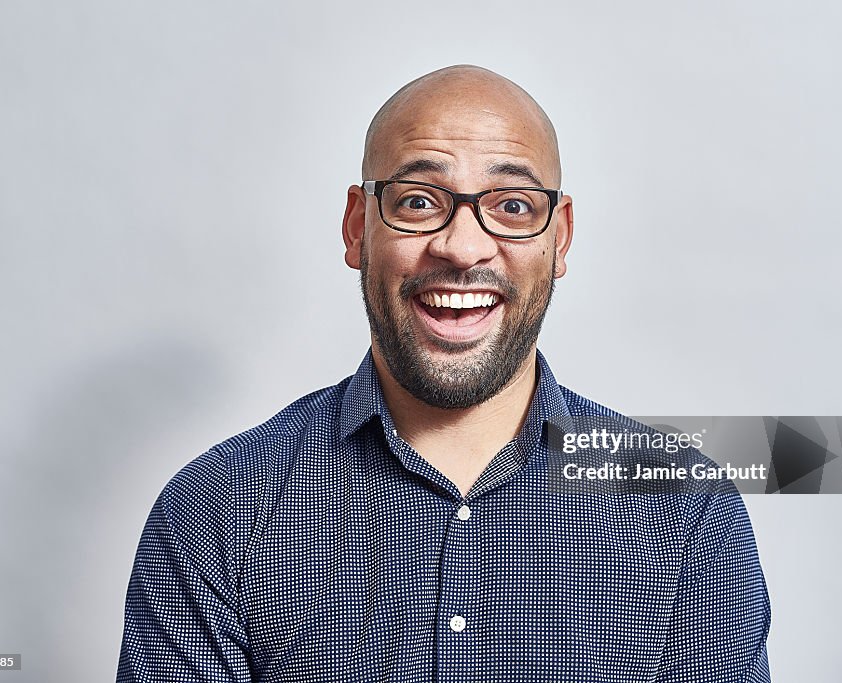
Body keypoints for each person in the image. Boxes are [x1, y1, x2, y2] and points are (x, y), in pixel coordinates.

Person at [116, 65, 771, 682]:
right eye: (419, 200)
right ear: (356, 227)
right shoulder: (215, 511)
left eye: (512, 206)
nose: (462, 246)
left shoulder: (686, 509)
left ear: (559, 237)